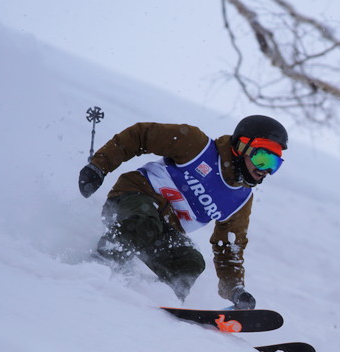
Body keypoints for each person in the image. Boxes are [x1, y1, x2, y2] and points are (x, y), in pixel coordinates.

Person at [77, 115, 288, 306]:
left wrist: (235, 291)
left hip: (162, 229)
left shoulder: (240, 199)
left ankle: (160, 298)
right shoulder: (196, 146)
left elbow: (228, 248)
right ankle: (98, 266)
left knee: (190, 262)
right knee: (145, 223)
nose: (266, 170)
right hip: (133, 197)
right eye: (263, 158)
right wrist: (98, 166)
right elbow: (141, 135)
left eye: (274, 164)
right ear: (241, 147)